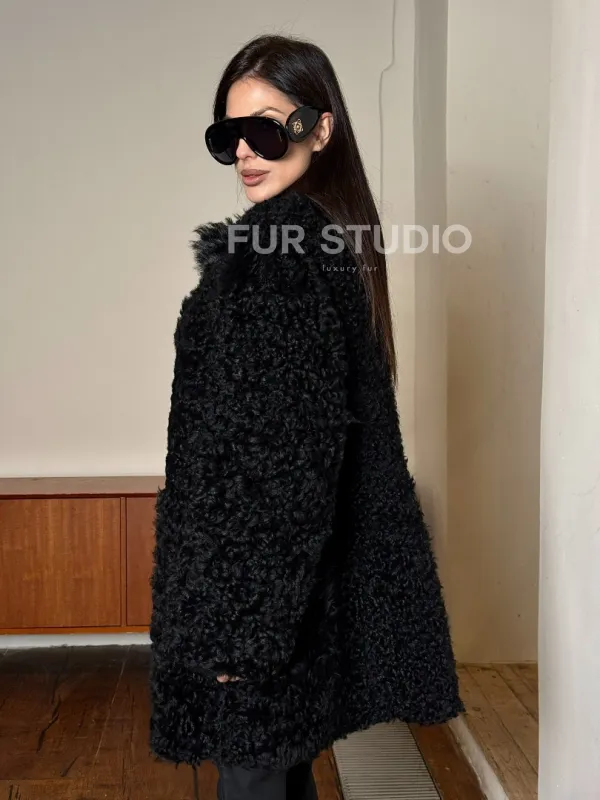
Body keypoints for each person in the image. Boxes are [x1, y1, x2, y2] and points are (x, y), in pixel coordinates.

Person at [149, 32, 465, 800]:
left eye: (265, 129)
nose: (244, 152)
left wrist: (242, 629)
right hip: (286, 602)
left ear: (320, 130)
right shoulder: (317, 244)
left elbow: (281, 468)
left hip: (256, 606)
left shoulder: (279, 260)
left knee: (256, 776)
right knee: (279, 775)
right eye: (229, 135)